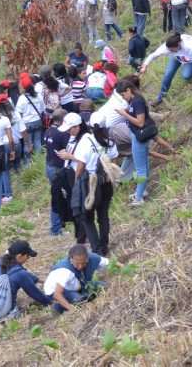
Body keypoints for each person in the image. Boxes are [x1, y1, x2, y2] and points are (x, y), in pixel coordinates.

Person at [56, 114, 115, 255]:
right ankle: (104, 246)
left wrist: (77, 183)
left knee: (87, 217)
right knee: (103, 215)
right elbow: (114, 161)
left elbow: (81, 166)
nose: (68, 131)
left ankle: (97, 250)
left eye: (70, 128)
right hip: (106, 181)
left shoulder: (86, 141)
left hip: (90, 182)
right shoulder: (109, 140)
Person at [115, 81, 174, 206]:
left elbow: (140, 122)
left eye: (123, 95)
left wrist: (125, 114)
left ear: (128, 90)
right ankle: (142, 191)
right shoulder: (134, 101)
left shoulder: (137, 101)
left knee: (140, 169)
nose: (123, 98)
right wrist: (127, 111)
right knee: (144, 166)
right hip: (137, 136)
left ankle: (138, 198)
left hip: (139, 138)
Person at [141, 32, 192, 105]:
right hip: (177, 57)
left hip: (191, 59)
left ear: (178, 45)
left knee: (186, 75)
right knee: (168, 74)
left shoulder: (190, 47)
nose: (171, 51)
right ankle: (160, 98)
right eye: (170, 50)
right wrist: (145, 65)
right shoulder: (167, 47)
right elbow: (153, 55)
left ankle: (190, 70)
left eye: (173, 50)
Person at [44, 244, 110, 313]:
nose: (80, 266)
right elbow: (57, 294)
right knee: (81, 301)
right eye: (77, 263)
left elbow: (110, 263)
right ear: (71, 259)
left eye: (83, 263)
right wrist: (72, 310)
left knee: (104, 285)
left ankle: (82, 294)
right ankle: (57, 307)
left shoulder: (92, 257)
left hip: (77, 285)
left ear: (87, 258)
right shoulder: (65, 272)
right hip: (56, 291)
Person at [42, 108, 70, 236]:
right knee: (58, 198)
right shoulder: (61, 133)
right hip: (58, 168)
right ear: (63, 120)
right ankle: (56, 229)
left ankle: (59, 225)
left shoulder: (48, 131)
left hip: (50, 166)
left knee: (57, 196)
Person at [16, 83, 44, 163]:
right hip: (38, 121)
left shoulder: (22, 98)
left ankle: (28, 163)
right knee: (37, 141)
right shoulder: (39, 96)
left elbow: (19, 113)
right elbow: (43, 109)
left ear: (24, 88)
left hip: (27, 124)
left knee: (27, 143)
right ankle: (39, 161)